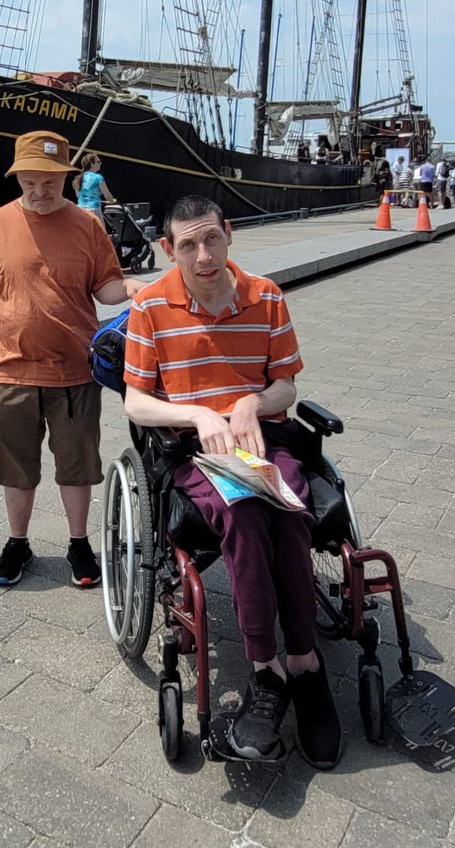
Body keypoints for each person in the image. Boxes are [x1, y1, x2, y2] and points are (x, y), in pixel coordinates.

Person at [123, 195, 343, 769]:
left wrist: (251, 400)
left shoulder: (266, 297)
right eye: (187, 245)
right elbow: (137, 402)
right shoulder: (149, 306)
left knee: (290, 510)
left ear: (229, 234)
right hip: (195, 452)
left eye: (211, 240)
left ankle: (304, 664)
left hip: (263, 442)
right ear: (169, 249)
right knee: (245, 513)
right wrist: (198, 415)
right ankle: (267, 670)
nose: (202, 255)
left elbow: (286, 389)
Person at [0, 130, 145, 589]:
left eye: (50, 182)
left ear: (67, 177)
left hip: (75, 369)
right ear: (17, 176)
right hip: (10, 368)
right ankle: (17, 541)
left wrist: (137, 289)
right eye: (30, 182)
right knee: (16, 467)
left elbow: (105, 289)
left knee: (77, 465)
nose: (40, 192)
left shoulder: (88, 225)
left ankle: (78, 542)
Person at [72, 151, 116, 222]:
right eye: (98, 161)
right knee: (101, 231)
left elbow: (78, 195)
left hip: (80, 210)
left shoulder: (78, 178)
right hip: (94, 210)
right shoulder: (98, 178)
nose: (100, 163)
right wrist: (112, 201)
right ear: (92, 164)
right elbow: (107, 195)